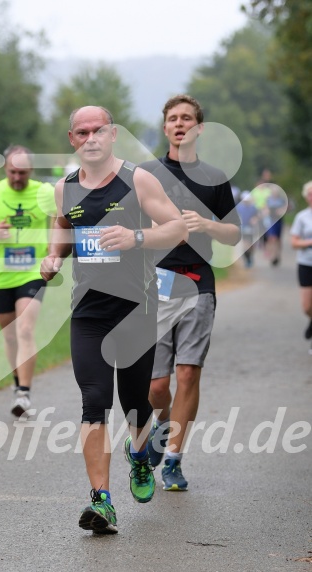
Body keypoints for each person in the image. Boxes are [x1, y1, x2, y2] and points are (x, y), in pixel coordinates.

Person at [40, 105, 188, 534]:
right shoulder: (64, 188)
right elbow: (63, 231)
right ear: (72, 139)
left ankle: (140, 455)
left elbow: (177, 228)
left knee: (137, 404)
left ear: (112, 134)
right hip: (88, 312)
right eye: (82, 132)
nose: (91, 138)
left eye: (98, 130)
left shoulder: (137, 179)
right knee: (93, 400)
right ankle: (101, 500)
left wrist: (136, 236)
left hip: (136, 310)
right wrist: (53, 257)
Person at [140, 94, 241, 491]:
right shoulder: (146, 174)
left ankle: (174, 461)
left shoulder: (215, 177)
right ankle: (163, 426)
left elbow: (234, 232)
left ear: (199, 128)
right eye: (173, 119)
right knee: (156, 386)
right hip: (156, 284)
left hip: (198, 281)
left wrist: (207, 225)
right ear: (165, 127)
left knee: (188, 373)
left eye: (187, 119)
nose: (179, 124)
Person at [0, 145, 55, 417]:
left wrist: (53, 252)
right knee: (9, 335)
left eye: (23, 172)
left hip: (32, 271)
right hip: (0, 272)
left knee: (25, 329)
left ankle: (24, 393)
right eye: (12, 172)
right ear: (5, 169)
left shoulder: (44, 192)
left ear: (31, 170)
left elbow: (58, 221)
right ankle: (17, 383)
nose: (17, 177)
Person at [290, 181, 312, 348]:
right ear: (306, 197)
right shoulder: (302, 217)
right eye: (310, 193)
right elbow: (294, 243)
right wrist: (309, 242)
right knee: (307, 307)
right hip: (306, 263)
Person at [263, 186, 288, 266]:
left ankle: (277, 254)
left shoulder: (281, 200)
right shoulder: (268, 200)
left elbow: (285, 208)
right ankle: (273, 256)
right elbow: (265, 208)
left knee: (278, 239)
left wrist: (281, 211)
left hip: (279, 221)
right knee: (272, 238)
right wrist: (266, 212)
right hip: (271, 221)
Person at [237, 191, 259, 268]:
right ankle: (247, 259)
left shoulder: (253, 207)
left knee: (251, 245)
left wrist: (255, 219)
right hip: (243, 228)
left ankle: (249, 256)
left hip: (251, 229)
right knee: (245, 244)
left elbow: (257, 216)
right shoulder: (239, 207)